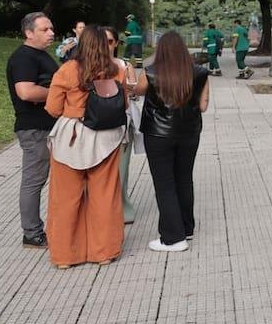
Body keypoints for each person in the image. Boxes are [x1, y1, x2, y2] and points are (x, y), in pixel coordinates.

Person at [44, 26, 130, 268]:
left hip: (71, 138)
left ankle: (65, 256)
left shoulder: (68, 70)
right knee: (105, 195)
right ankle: (104, 252)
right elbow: (121, 104)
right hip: (106, 138)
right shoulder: (115, 70)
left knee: (65, 197)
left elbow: (52, 108)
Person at [136, 32, 208, 251]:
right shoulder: (200, 73)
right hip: (189, 133)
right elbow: (203, 106)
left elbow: (137, 90)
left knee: (164, 184)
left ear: (161, 50)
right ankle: (186, 228)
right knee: (184, 179)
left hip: (158, 134)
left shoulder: (150, 72)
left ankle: (173, 238)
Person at [7, 12, 58, 250]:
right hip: (35, 129)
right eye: (44, 30)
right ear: (29, 32)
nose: (51, 33)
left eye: (51, 29)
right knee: (33, 181)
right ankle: (32, 233)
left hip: (49, 126)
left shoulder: (40, 55)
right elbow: (26, 92)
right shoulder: (23, 57)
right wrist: (60, 93)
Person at [104, 26, 140, 224]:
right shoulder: (88, 65)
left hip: (122, 122)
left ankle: (122, 205)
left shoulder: (125, 65)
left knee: (121, 169)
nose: (106, 46)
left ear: (116, 43)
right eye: (102, 41)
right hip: (96, 124)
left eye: (110, 41)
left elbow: (134, 90)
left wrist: (130, 89)